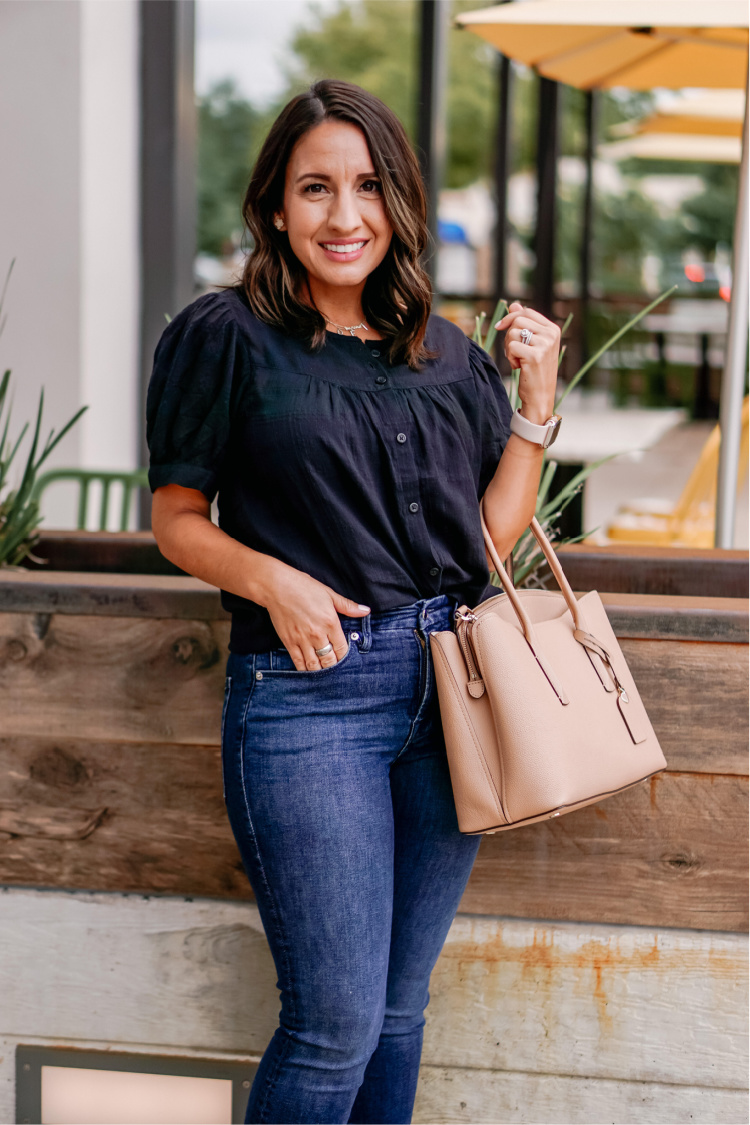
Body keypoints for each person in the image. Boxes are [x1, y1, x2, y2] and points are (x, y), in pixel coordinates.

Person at [146, 79, 561, 1125]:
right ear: (275, 207)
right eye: (316, 188)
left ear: (400, 202)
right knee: (331, 1027)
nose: (344, 216)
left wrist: (536, 409)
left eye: (368, 187)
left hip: (446, 694)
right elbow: (178, 516)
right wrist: (271, 579)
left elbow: (483, 543)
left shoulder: (446, 353)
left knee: (396, 1008)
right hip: (311, 699)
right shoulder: (226, 336)